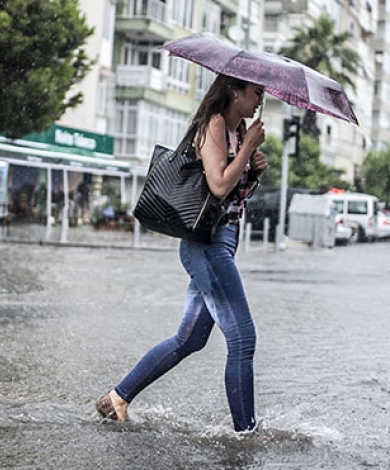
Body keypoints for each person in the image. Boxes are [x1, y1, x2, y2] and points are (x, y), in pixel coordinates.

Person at [95, 74, 269, 433]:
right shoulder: (215, 124)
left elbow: (233, 195)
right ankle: (246, 433)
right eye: (255, 93)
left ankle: (117, 398)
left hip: (223, 240)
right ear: (234, 92)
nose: (259, 101)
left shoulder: (236, 131)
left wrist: (252, 174)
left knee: (190, 338)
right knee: (243, 339)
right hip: (206, 246)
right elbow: (218, 185)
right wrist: (248, 150)